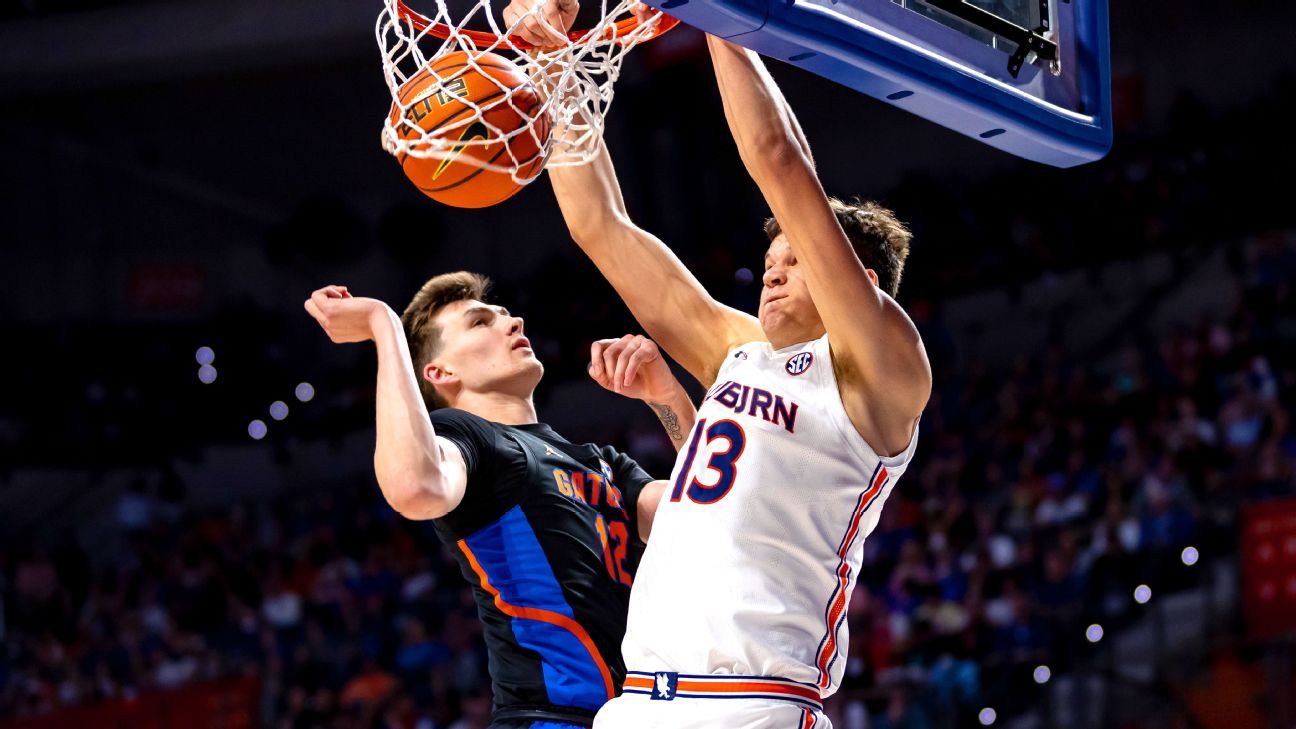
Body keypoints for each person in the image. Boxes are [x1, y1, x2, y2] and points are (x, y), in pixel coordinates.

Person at [539, 19, 933, 729]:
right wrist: (556, 62)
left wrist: (717, 14)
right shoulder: (738, 351)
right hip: (638, 702)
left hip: (752, 703)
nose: (771, 278)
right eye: (770, 266)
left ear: (861, 281)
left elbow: (777, 157)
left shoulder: (880, 369)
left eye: (794, 265)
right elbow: (598, 224)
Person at [303, 273, 695, 729]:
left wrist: (668, 397)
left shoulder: (600, 462)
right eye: (480, 322)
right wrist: (383, 324)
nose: (512, 322)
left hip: (642, 713)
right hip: (551, 718)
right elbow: (412, 486)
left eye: (506, 315)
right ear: (441, 373)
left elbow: (714, 512)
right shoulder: (472, 440)